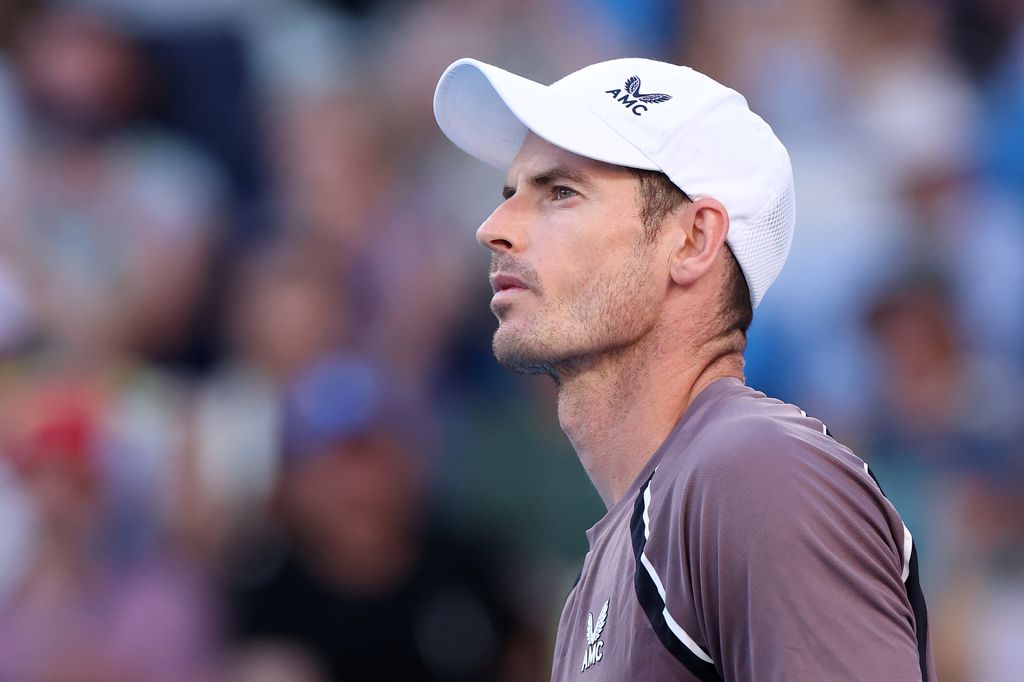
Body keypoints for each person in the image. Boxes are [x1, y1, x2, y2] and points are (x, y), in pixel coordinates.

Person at [432, 57, 934, 680]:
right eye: (510, 194)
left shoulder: (754, 470)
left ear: (694, 240)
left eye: (560, 192)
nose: (493, 228)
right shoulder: (611, 565)